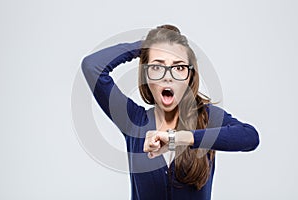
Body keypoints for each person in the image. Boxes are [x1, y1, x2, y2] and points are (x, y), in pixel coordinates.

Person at [81, 24, 260, 200]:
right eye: (157, 67)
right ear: (146, 75)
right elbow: (92, 66)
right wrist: (144, 46)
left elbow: (250, 137)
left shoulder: (207, 117)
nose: (168, 76)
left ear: (189, 76)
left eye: (179, 67)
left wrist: (180, 138)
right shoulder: (133, 121)